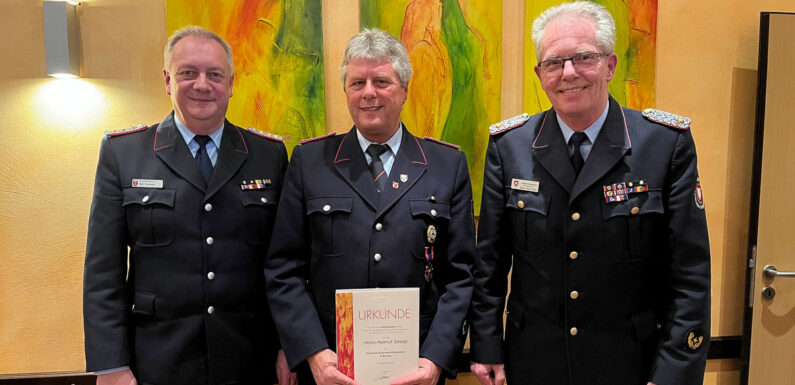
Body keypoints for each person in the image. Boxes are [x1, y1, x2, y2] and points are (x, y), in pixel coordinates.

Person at [469, 2, 711, 385]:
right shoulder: (509, 146)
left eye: (584, 57)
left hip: (631, 364)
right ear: (540, 74)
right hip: (534, 363)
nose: (569, 73)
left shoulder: (664, 145)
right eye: (554, 62)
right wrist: (485, 346)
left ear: (610, 65)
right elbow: (490, 263)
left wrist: (674, 372)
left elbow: (690, 274)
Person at [83, 26, 295, 385]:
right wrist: (111, 365)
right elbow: (103, 273)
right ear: (168, 80)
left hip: (250, 359)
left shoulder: (268, 155)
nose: (202, 84)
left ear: (231, 84)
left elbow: (285, 264)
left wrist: (288, 345)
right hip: (158, 361)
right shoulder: (124, 153)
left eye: (215, 75)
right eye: (188, 73)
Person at [264, 28, 474, 385]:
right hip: (332, 366)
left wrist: (435, 359)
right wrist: (313, 353)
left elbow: (461, 275)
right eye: (357, 83)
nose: (368, 93)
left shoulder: (446, 165)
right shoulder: (310, 162)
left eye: (381, 81)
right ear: (346, 91)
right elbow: (284, 269)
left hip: (417, 367)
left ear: (404, 89)